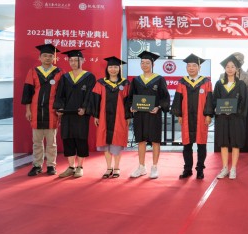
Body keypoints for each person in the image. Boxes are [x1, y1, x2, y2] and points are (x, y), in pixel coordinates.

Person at [127, 51, 170, 179]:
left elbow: (165, 97)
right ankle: (141, 167)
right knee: (141, 140)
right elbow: (131, 97)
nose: (144, 65)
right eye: (142, 63)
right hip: (140, 115)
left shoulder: (159, 79)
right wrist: (131, 107)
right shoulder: (136, 80)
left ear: (152, 64)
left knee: (155, 141)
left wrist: (159, 107)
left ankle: (154, 167)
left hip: (154, 115)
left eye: (147, 63)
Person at [53, 49, 96, 178]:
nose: (73, 63)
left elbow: (90, 95)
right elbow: (60, 95)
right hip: (67, 114)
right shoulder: (65, 77)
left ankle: (80, 167)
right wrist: (59, 108)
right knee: (68, 139)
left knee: (81, 139)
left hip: (81, 114)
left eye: (76, 60)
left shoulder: (89, 77)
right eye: (70, 60)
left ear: (82, 61)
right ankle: (71, 167)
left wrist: (85, 108)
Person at [21, 44, 63, 176]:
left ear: (54, 58)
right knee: (37, 142)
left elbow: (61, 94)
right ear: (39, 57)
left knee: (52, 142)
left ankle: (51, 165)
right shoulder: (33, 71)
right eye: (45, 56)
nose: (48, 58)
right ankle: (37, 165)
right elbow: (28, 92)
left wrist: (60, 109)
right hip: (36, 110)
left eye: (50, 56)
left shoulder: (59, 72)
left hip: (52, 111)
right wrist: (28, 110)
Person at [171, 54, 213, 179]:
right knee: (187, 145)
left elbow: (209, 100)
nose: (191, 68)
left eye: (194, 65)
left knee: (201, 144)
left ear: (199, 68)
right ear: (186, 68)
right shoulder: (182, 82)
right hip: (186, 117)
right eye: (189, 66)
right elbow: (178, 99)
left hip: (201, 118)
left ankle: (200, 170)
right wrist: (179, 114)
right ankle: (187, 169)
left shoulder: (206, 82)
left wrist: (208, 114)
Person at [88, 56, 131, 179]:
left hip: (120, 117)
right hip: (103, 116)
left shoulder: (125, 83)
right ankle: (108, 167)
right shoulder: (101, 83)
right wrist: (96, 115)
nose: (113, 69)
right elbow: (96, 100)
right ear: (107, 69)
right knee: (105, 142)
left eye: (116, 67)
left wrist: (128, 116)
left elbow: (128, 101)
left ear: (119, 69)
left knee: (117, 141)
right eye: (111, 67)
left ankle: (116, 167)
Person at [212, 54, 248, 179]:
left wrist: (235, 111)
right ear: (225, 68)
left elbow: (244, 101)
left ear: (237, 69)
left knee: (235, 143)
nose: (230, 69)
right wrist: (217, 108)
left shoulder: (241, 84)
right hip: (222, 118)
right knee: (223, 143)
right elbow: (215, 99)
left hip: (236, 118)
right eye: (228, 67)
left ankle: (233, 168)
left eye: (233, 66)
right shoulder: (219, 83)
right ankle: (224, 168)